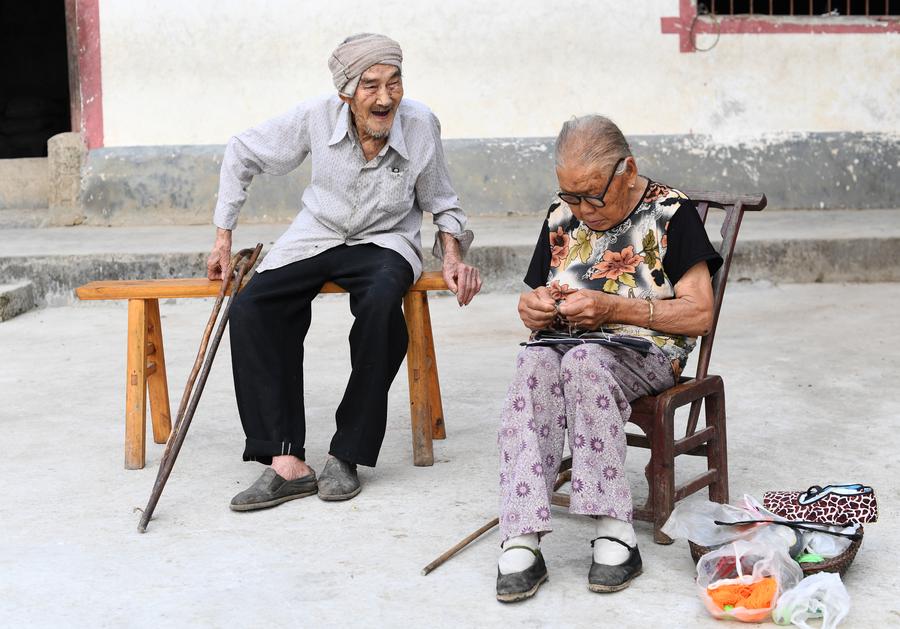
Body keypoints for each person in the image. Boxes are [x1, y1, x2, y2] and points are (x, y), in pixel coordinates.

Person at [207, 33, 482, 510]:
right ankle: (285, 461)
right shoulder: (316, 116)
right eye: (370, 86)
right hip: (318, 232)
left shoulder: (419, 124)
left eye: (393, 83)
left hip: (386, 238)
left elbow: (442, 201)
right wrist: (223, 236)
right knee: (252, 307)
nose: (385, 98)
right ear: (346, 94)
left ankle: (346, 453)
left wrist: (452, 256)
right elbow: (242, 151)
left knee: (381, 307)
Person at [495, 115, 722, 602]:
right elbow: (536, 297)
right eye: (570, 195)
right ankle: (521, 535)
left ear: (628, 170)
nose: (581, 208)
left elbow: (700, 314)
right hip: (566, 344)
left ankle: (614, 529)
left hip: (646, 350)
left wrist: (614, 308)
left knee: (584, 365)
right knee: (533, 363)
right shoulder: (561, 216)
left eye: (592, 195)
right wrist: (531, 310)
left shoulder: (670, 214)